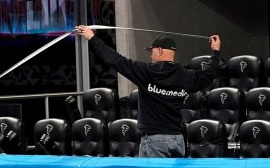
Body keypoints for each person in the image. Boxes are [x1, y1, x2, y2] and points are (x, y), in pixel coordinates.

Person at [76, 25, 222, 157]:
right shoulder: (185, 76)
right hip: (178, 139)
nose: (151, 56)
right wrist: (215, 52)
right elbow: (208, 75)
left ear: (159, 51)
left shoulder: (146, 72)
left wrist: (92, 38)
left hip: (154, 140)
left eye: (152, 52)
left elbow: (115, 60)